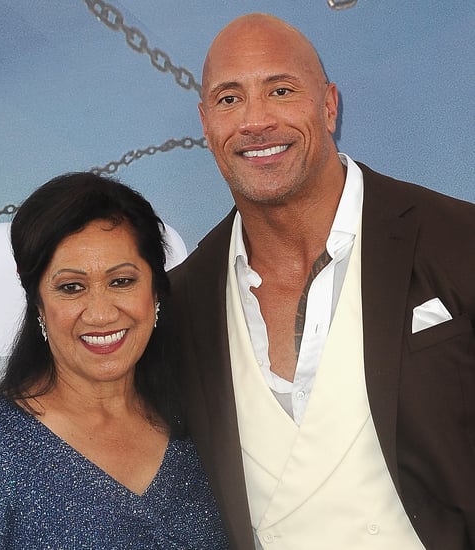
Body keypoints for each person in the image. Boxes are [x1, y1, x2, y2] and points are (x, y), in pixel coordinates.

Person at [167, 12, 475, 550]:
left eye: (281, 90)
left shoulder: (459, 240)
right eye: (229, 99)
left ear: (328, 105)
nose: (255, 121)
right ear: (205, 122)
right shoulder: (180, 302)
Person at [0, 172, 229, 549]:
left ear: (155, 290)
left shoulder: (202, 424)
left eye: (122, 281)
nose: (100, 314)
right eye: (72, 288)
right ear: (38, 301)